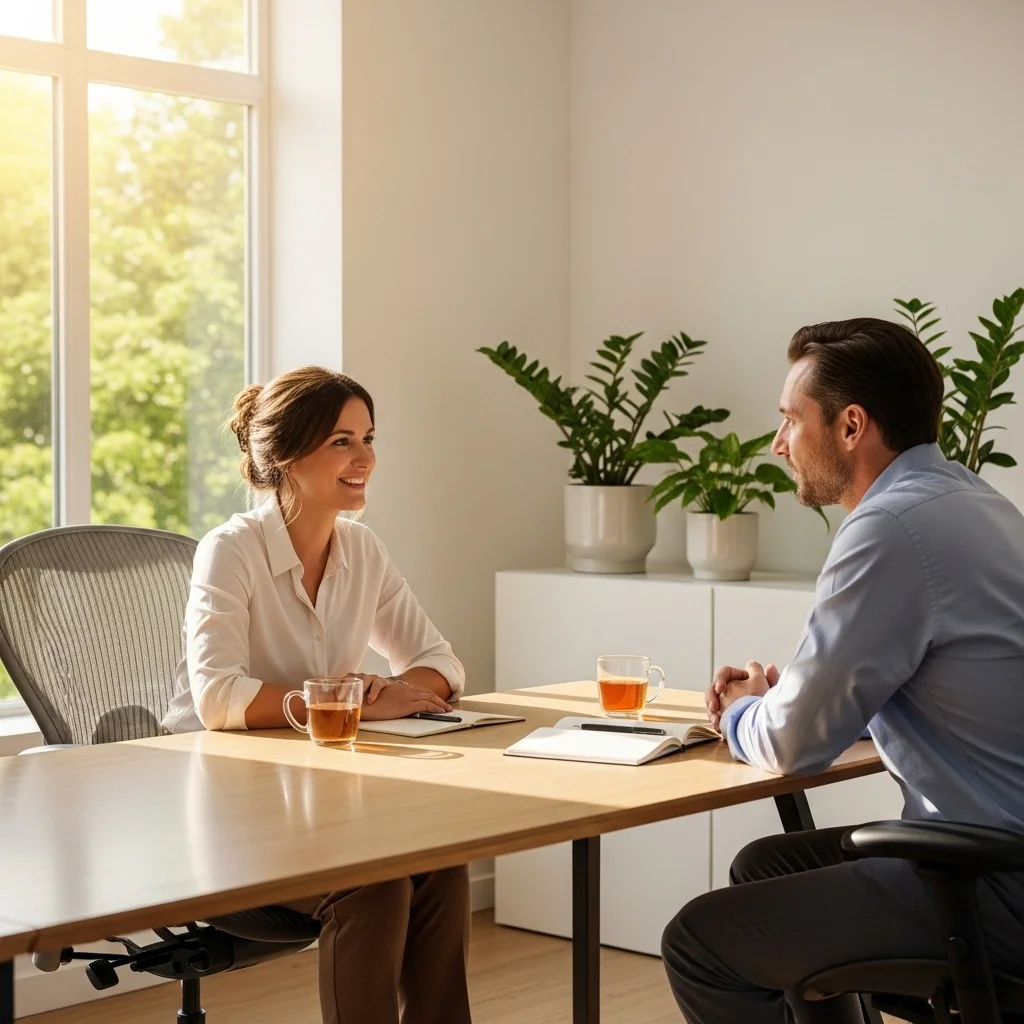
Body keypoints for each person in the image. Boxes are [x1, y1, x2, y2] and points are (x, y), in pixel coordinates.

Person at [661, 318, 1024, 1024]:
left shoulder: (890, 528)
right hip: (996, 849)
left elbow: (794, 744)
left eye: (790, 419)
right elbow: (920, 680)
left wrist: (739, 710)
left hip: (996, 879)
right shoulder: (975, 503)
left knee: (699, 943)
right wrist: (794, 699)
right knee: (766, 864)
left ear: (851, 425)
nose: (779, 443)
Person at [162, 366, 472, 1024]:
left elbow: (440, 663)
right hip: (224, 815)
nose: (366, 459)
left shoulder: (361, 550)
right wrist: (350, 702)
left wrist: (393, 690)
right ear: (286, 457)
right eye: (341, 442)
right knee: (375, 884)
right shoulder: (230, 550)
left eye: (368, 438)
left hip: (320, 807)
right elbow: (218, 698)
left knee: (440, 865)